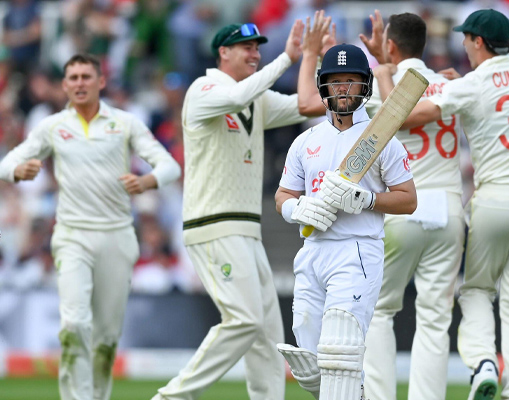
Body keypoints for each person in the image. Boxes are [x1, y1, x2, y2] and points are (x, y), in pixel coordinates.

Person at [376, 8, 509, 400]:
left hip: (496, 201)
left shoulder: (473, 84)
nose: (462, 45)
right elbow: (500, 88)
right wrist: (451, 84)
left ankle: (482, 362)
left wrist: (385, 73)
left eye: (466, 39)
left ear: (477, 42)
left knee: (476, 291)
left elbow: (403, 118)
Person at [152, 14, 332, 400]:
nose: (254, 54)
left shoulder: (257, 99)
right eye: (247, 48)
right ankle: (173, 396)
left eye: (257, 49)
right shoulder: (203, 89)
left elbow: (306, 105)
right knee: (245, 320)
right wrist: (285, 58)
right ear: (223, 52)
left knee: (267, 333)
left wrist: (316, 59)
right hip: (214, 225)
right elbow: (235, 97)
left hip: (248, 230)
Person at [0, 53, 181, 400]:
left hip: (117, 235)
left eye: (87, 76)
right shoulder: (52, 126)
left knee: (106, 339)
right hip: (72, 236)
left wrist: (147, 182)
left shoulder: (124, 122)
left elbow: (169, 166)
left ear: (100, 82)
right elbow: (8, 162)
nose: (80, 83)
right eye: (73, 77)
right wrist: (16, 171)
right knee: (74, 326)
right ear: (64, 85)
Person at [275, 43, 417, 400]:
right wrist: (297, 209)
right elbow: (283, 195)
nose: (343, 89)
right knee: (312, 359)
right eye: (336, 81)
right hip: (312, 251)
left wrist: (367, 199)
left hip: (357, 252)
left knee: (340, 351)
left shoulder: (382, 140)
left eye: (351, 81)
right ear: (324, 86)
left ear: (365, 86)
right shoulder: (305, 141)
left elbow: (408, 199)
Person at [358, 11, 466, 400]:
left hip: (402, 208)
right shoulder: (452, 85)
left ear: (389, 45)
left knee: (379, 311)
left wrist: (380, 65)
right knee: (436, 319)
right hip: (450, 209)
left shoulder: (378, 87)